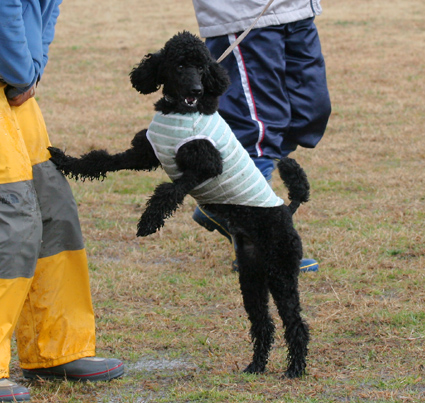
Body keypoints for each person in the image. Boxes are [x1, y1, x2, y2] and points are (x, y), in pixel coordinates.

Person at [0, 1, 123, 401]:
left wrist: (32, 69)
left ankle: (56, 348)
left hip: (14, 83)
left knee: (52, 208)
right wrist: (20, 71)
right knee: (11, 217)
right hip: (9, 73)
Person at [191, 0, 331, 272]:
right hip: (244, 14)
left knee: (308, 113)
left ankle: (225, 202)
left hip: (296, 8)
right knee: (258, 127)